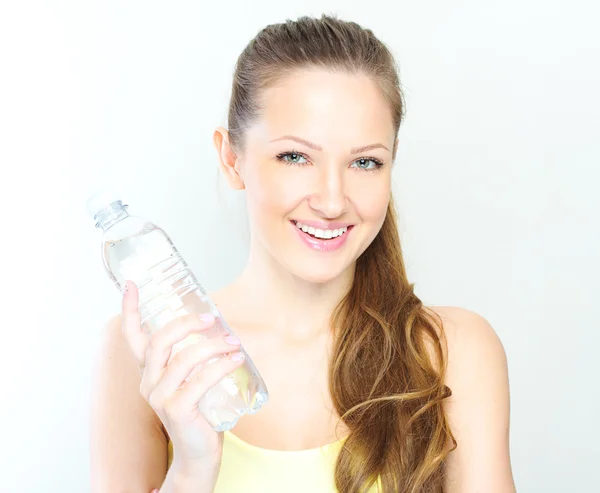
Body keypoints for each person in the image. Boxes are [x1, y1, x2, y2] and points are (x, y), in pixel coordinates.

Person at [90, 14, 516, 493]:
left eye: (365, 162)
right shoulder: (146, 354)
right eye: (295, 157)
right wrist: (192, 468)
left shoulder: (451, 351)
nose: (332, 200)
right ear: (232, 158)